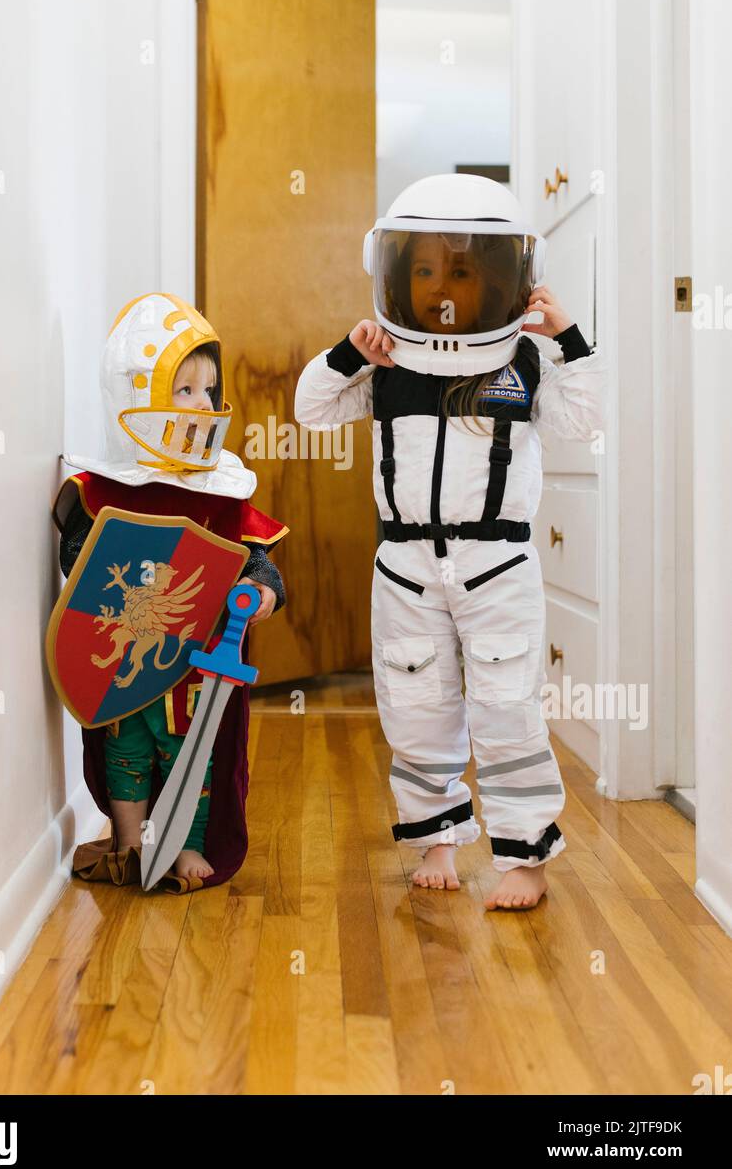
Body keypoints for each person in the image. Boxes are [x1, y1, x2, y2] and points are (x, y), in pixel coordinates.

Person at [295, 174, 605, 911]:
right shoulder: (387, 367)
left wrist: (568, 340)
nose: (441, 287)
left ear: (503, 279)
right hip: (406, 563)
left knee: (507, 706)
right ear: (396, 276)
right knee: (415, 703)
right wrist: (350, 350)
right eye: (425, 269)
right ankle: (437, 836)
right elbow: (310, 409)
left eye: (461, 270)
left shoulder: (522, 363)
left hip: (497, 561)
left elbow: (581, 420)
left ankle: (524, 854)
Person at [52, 293, 287, 893]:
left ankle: (183, 843)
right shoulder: (102, 493)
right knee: (125, 752)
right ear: (141, 397)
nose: (204, 405)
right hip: (124, 667)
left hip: (194, 672)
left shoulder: (218, 492)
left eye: (209, 391)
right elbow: (79, 564)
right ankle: (131, 841)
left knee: (194, 759)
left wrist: (259, 592)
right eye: (186, 391)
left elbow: (258, 563)